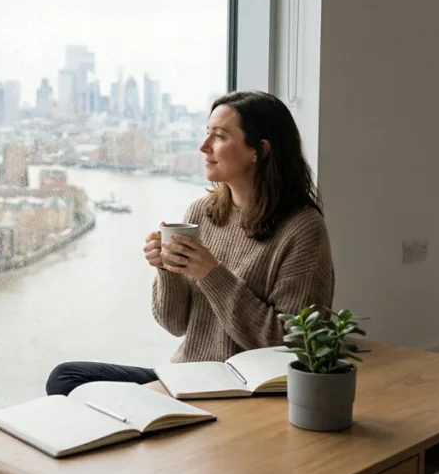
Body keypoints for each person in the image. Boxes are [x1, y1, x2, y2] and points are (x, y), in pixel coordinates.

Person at [46, 90, 334, 396]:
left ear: (260, 150)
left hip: (241, 390)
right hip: (187, 376)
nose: (203, 146)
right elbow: (175, 324)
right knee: (65, 377)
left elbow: (289, 346)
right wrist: (167, 269)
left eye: (219, 136)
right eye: (207, 133)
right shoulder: (203, 212)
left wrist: (211, 273)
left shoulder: (302, 230)